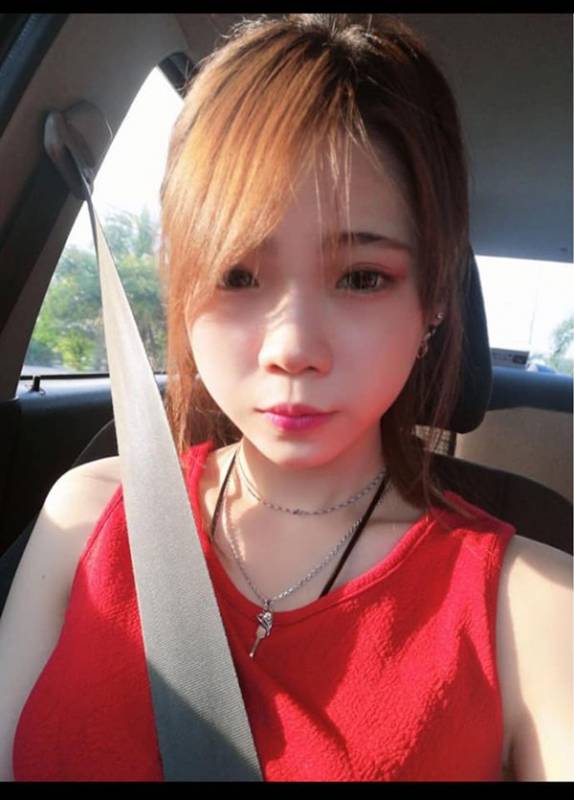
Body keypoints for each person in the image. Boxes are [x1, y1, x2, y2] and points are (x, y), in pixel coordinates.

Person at [2, 13, 572, 782]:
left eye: (362, 277)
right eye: (237, 274)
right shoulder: (84, 517)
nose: (293, 347)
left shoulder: (531, 607)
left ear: (435, 299)